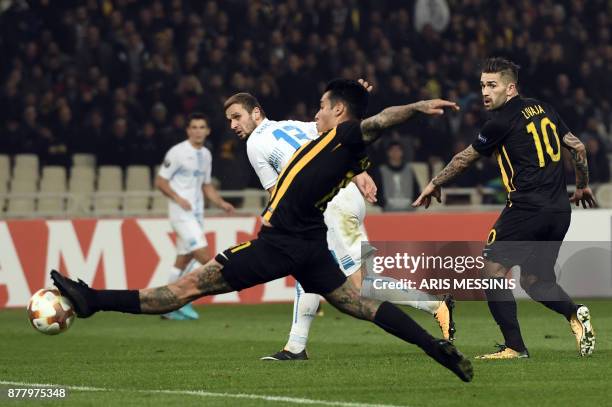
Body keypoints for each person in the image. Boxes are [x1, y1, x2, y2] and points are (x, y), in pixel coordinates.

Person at [51, 79, 473, 382]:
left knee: (182, 290)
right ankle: (434, 348)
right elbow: (359, 122)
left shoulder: (342, 137)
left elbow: (378, 121)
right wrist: (359, 109)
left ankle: (92, 301)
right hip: (310, 247)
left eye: (323, 107)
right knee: (359, 302)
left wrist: (415, 108)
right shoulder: (323, 138)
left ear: (338, 114)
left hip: (283, 244)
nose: (316, 113)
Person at [223, 86, 453, 361]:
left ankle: (435, 306)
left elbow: (278, 192)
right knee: (308, 269)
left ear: (256, 112)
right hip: (345, 197)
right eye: (230, 120)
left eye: (237, 117)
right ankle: (295, 346)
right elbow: (336, 138)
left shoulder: (255, 144)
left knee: (359, 286)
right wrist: (360, 171)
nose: (233, 125)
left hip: (332, 205)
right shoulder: (292, 126)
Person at [413, 58, 597, 359]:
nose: (485, 92)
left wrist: (434, 182)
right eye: (483, 85)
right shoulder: (545, 108)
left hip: (526, 209)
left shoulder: (500, 121)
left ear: (510, 88)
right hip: (559, 211)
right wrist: (582, 185)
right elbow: (577, 146)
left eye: (492, 85)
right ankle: (575, 314)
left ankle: (515, 346)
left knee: (492, 272)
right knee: (536, 281)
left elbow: (464, 159)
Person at [154, 112, 235, 320]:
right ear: (188, 130)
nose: (198, 131)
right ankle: (183, 301)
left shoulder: (206, 154)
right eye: (194, 127)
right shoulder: (178, 152)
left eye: (202, 127)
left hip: (197, 215)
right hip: (181, 215)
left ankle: (167, 307)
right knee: (207, 260)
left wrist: (221, 203)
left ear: (207, 131)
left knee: (182, 261)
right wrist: (177, 198)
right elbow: (161, 182)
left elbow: (206, 185)